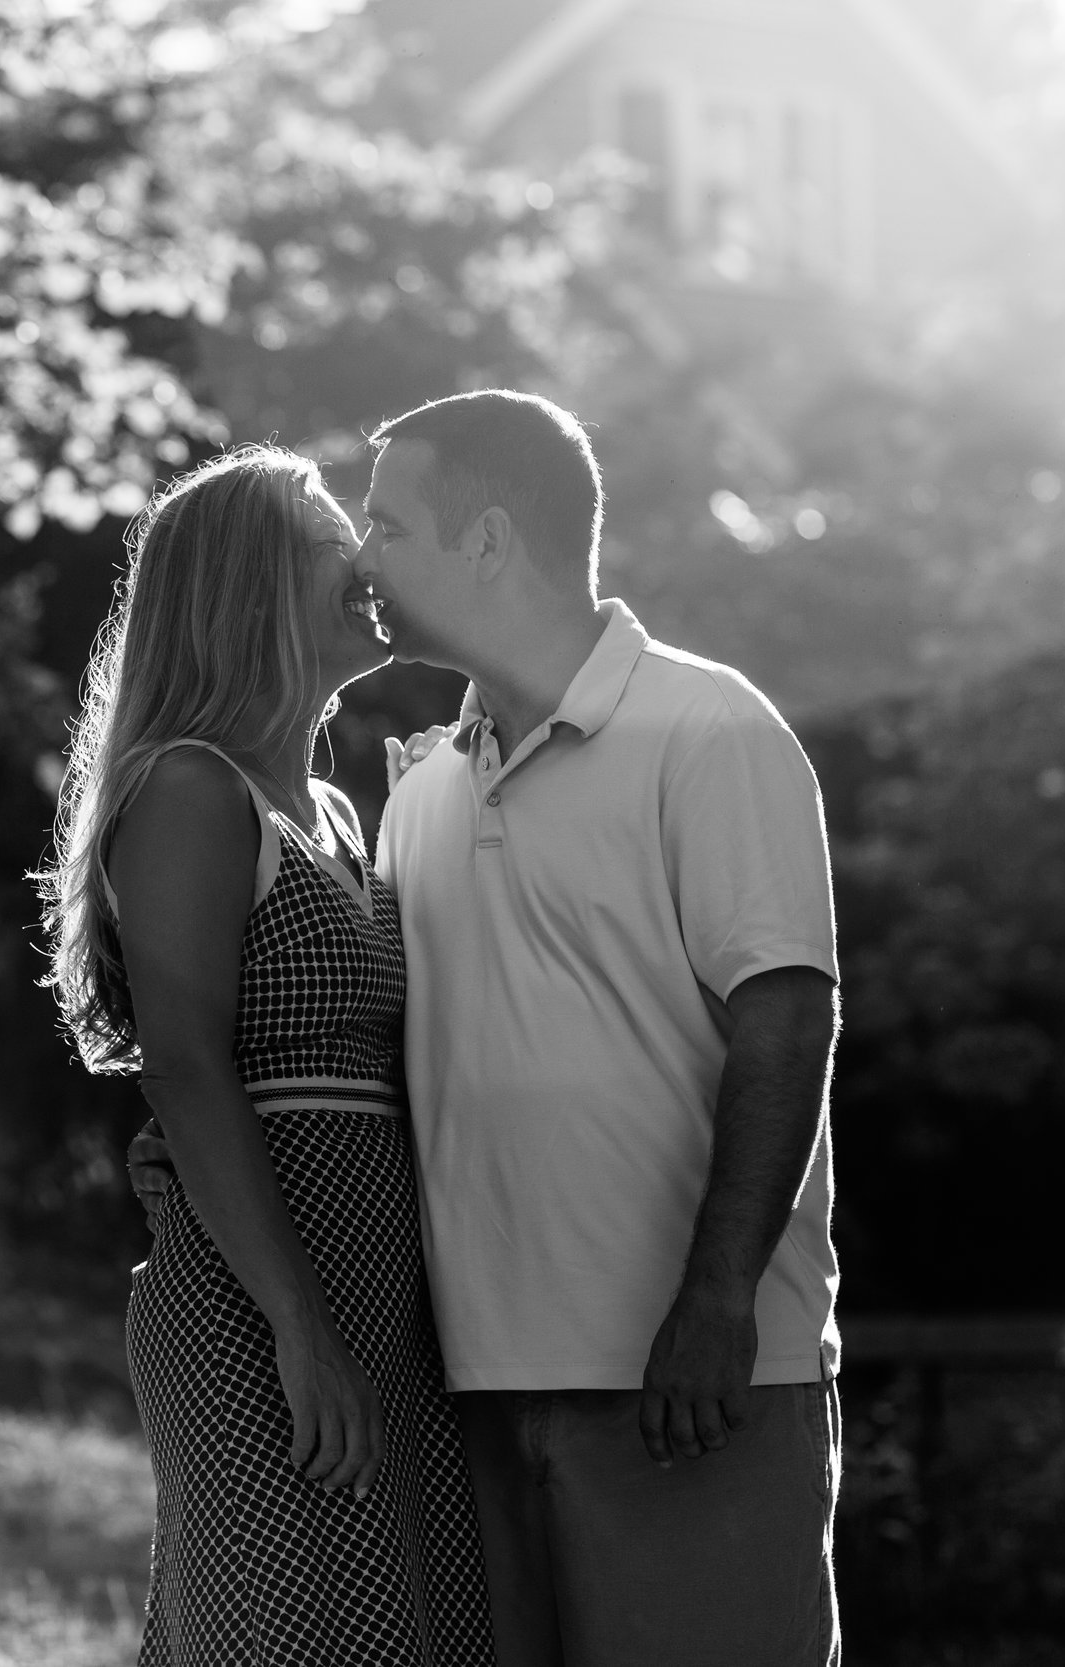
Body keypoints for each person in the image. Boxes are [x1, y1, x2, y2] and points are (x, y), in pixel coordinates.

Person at [133, 391, 844, 1666]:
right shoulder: (422, 794)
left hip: (685, 1373)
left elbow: (788, 1018)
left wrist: (718, 1294)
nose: (363, 558)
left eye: (386, 524)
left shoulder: (708, 724)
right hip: (469, 1386)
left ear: (487, 540)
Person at [38, 443, 495, 1664]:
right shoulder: (189, 790)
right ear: (252, 585)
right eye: (334, 541)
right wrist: (299, 1324)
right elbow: (185, 1066)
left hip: (381, 1292)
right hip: (260, 1305)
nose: (366, 564)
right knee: (294, 1632)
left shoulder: (334, 811)